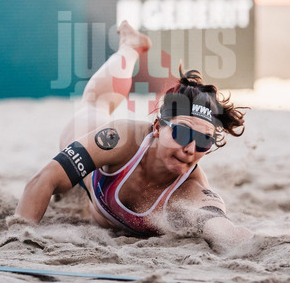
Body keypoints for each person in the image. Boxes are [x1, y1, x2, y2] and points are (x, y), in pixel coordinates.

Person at [15, 22, 256, 253]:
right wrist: (18, 238)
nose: (191, 149)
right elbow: (43, 180)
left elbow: (223, 228)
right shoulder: (121, 139)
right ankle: (130, 46)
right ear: (157, 127)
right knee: (94, 105)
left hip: (99, 209)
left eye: (204, 141)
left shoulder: (193, 189)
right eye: (182, 133)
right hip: (97, 169)